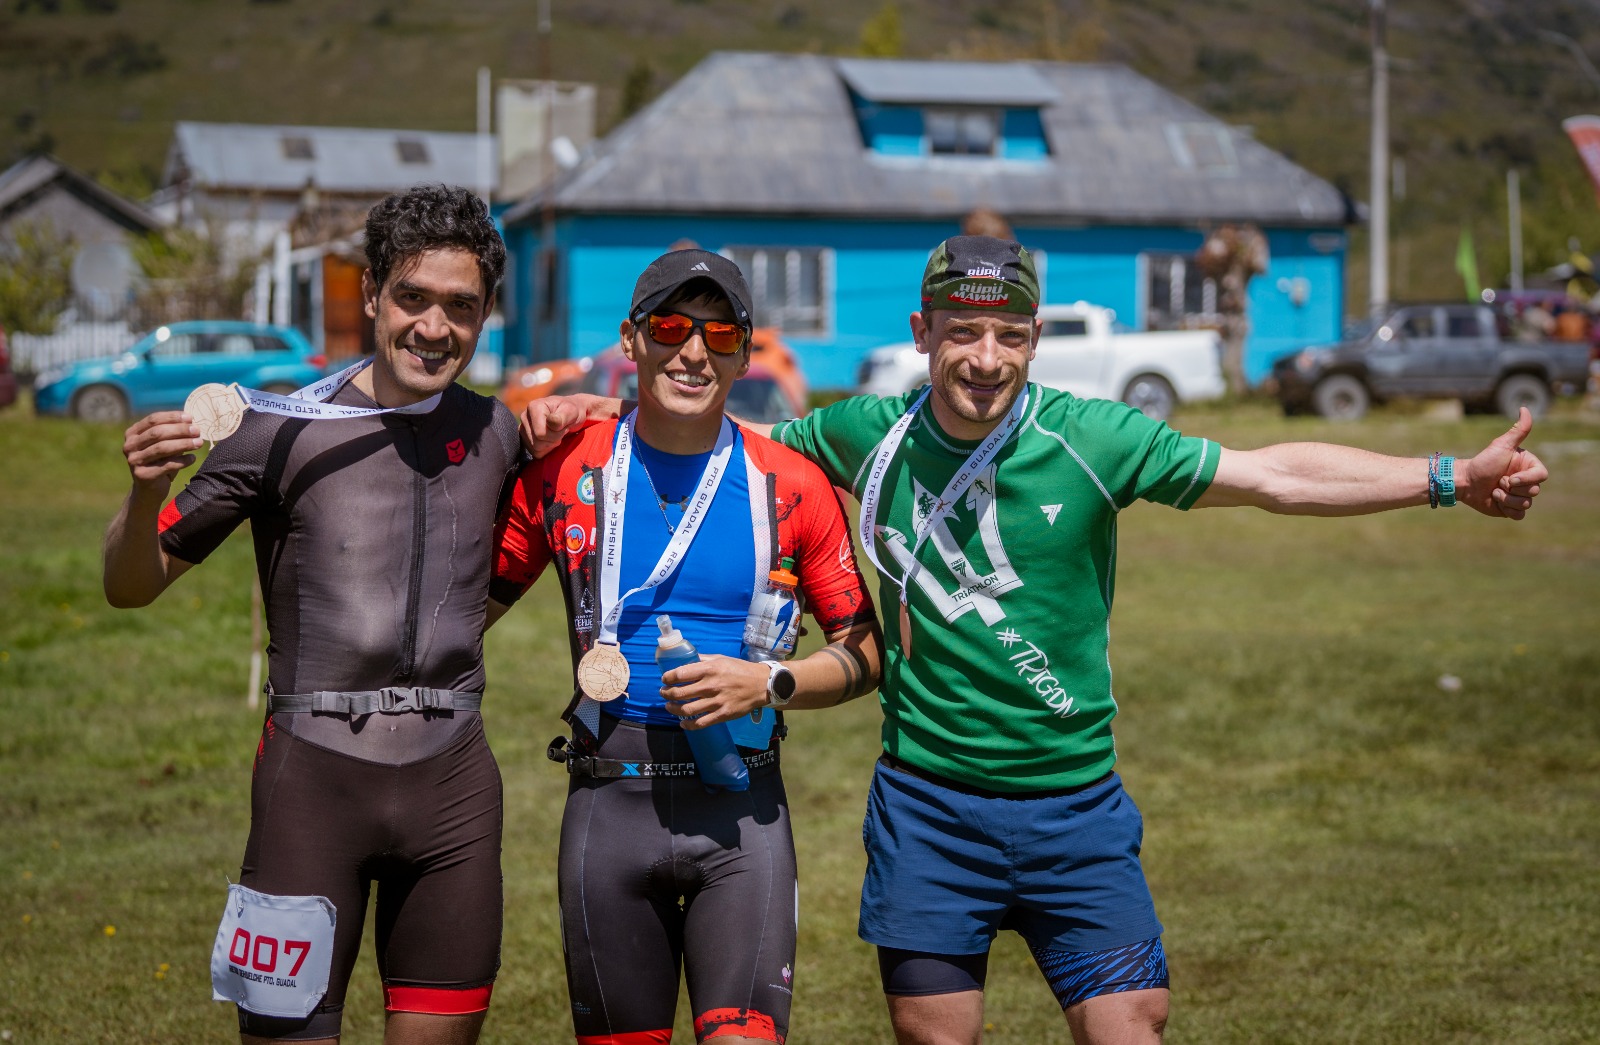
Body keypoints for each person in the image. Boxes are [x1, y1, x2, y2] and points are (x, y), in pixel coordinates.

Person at [520, 235, 1549, 1045]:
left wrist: (1445, 478)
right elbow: (695, 428)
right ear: (924, 331)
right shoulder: (860, 432)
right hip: (928, 809)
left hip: (1077, 808)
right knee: (933, 1034)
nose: (984, 358)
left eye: (1008, 335)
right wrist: (587, 411)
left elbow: (1271, 474)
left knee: (1130, 1025)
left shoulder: (1093, 437)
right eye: (962, 334)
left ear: (1033, 338)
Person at [104, 184, 521, 1045]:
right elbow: (130, 585)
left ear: (486, 315)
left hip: (454, 790)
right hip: (311, 786)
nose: (433, 327)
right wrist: (145, 496)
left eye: (460, 306)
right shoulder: (276, 427)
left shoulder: (499, 432)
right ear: (371, 292)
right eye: (412, 297)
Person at [486, 249, 883, 1045]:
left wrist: (769, 682)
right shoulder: (568, 468)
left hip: (741, 811)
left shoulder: (792, 483)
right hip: (607, 805)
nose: (693, 351)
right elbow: (458, 613)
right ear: (632, 341)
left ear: (742, 352)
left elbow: (868, 650)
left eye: (719, 333)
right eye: (670, 327)